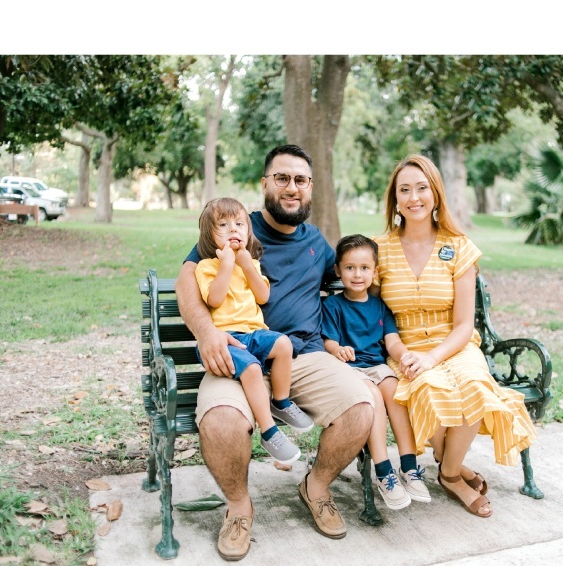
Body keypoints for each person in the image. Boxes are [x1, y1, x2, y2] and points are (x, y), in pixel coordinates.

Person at [176, 145, 374, 560]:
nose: (291, 188)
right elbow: (188, 276)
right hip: (237, 353)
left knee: (360, 406)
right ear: (265, 183)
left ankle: (315, 487)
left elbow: (360, 275)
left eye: (300, 180)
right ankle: (238, 507)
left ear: (310, 188)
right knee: (222, 421)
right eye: (281, 178)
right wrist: (207, 332)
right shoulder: (233, 228)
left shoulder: (317, 243)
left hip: (304, 357)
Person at [372, 154, 538, 519]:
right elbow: (372, 314)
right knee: (430, 389)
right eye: (405, 190)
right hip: (406, 349)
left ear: (435, 194)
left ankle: (448, 473)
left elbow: (465, 325)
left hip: (455, 344)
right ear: (395, 200)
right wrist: (404, 353)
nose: (414, 197)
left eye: (421, 188)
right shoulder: (379, 249)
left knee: (475, 388)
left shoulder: (458, 246)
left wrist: (435, 356)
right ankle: (453, 468)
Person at [193, 197, 314, 465]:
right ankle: (269, 432)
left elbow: (263, 296)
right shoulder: (207, 266)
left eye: (239, 224)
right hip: (225, 340)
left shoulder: (252, 264)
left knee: (284, 344)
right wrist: (226, 264)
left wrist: (246, 265)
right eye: (223, 225)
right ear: (209, 236)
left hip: (254, 334)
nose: (233, 230)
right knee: (253, 369)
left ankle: (280, 402)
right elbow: (214, 298)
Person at [321, 234, 432, 511]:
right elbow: (328, 341)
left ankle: (408, 467)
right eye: (349, 268)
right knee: (373, 397)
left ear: (375, 271)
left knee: (394, 392)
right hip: (351, 370)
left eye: (364, 268)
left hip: (377, 366)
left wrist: (404, 356)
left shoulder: (380, 306)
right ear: (338, 270)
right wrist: (337, 350)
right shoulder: (333, 306)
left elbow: (392, 341)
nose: (357, 275)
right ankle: (384, 472)